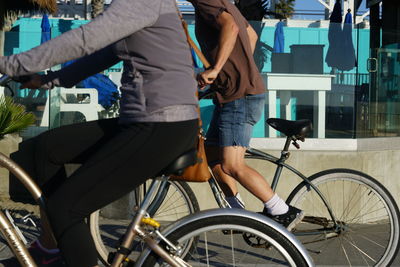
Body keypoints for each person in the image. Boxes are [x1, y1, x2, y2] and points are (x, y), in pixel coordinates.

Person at [0, 0, 199, 266]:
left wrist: (12, 64)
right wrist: (50, 80)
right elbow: (104, 54)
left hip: (161, 125)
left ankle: (71, 244)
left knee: (65, 208)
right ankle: (53, 247)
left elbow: (86, 39)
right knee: (47, 148)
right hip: (144, 120)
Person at [188, 0, 304, 230]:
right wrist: (234, 72)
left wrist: (217, 69)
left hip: (240, 98)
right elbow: (250, 35)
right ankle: (238, 213)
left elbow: (231, 27)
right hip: (232, 94)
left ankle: (282, 210)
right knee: (212, 157)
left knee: (232, 165)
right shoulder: (224, 3)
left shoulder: (206, 1)